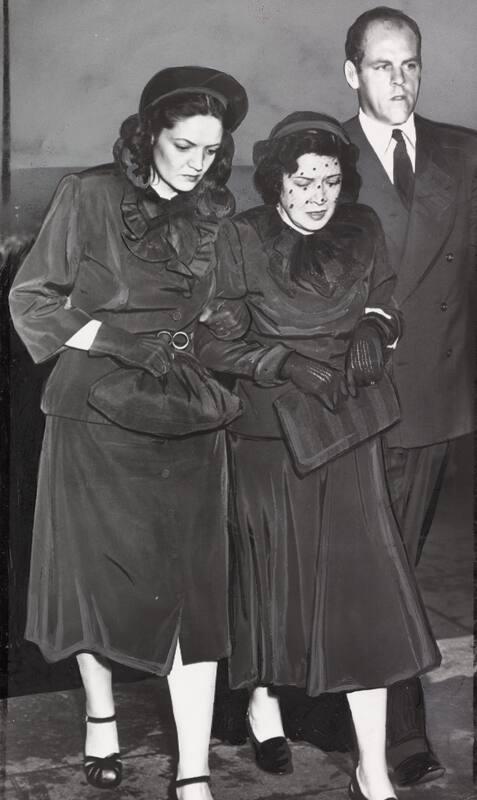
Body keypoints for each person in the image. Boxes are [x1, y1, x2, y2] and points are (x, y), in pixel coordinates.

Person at [9, 65, 247, 800]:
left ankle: (194, 772)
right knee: (96, 583)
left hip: (187, 410)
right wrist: (114, 339)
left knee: (195, 591)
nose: (197, 164)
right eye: (183, 146)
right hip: (96, 415)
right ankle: (102, 721)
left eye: (211, 151)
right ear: (148, 136)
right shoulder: (90, 195)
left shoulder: (218, 208)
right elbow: (32, 300)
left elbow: (223, 308)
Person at [196, 111, 441, 800]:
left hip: (349, 433)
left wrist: (373, 325)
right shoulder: (239, 236)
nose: (316, 193)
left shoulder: (363, 229)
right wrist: (280, 361)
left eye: (329, 179)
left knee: (361, 603)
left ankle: (370, 767)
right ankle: (262, 702)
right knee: (274, 594)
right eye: (303, 180)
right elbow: (214, 341)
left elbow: (390, 302)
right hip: (269, 439)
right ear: (276, 179)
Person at [341, 6, 477, 786]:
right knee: (373, 566)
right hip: (348, 399)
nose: (401, 80)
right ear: (351, 72)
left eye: (411, 64)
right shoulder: (318, 156)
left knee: (398, 562)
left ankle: (381, 731)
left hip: (430, 400)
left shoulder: (463, 153)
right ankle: (394, 739)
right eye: (384, 65)